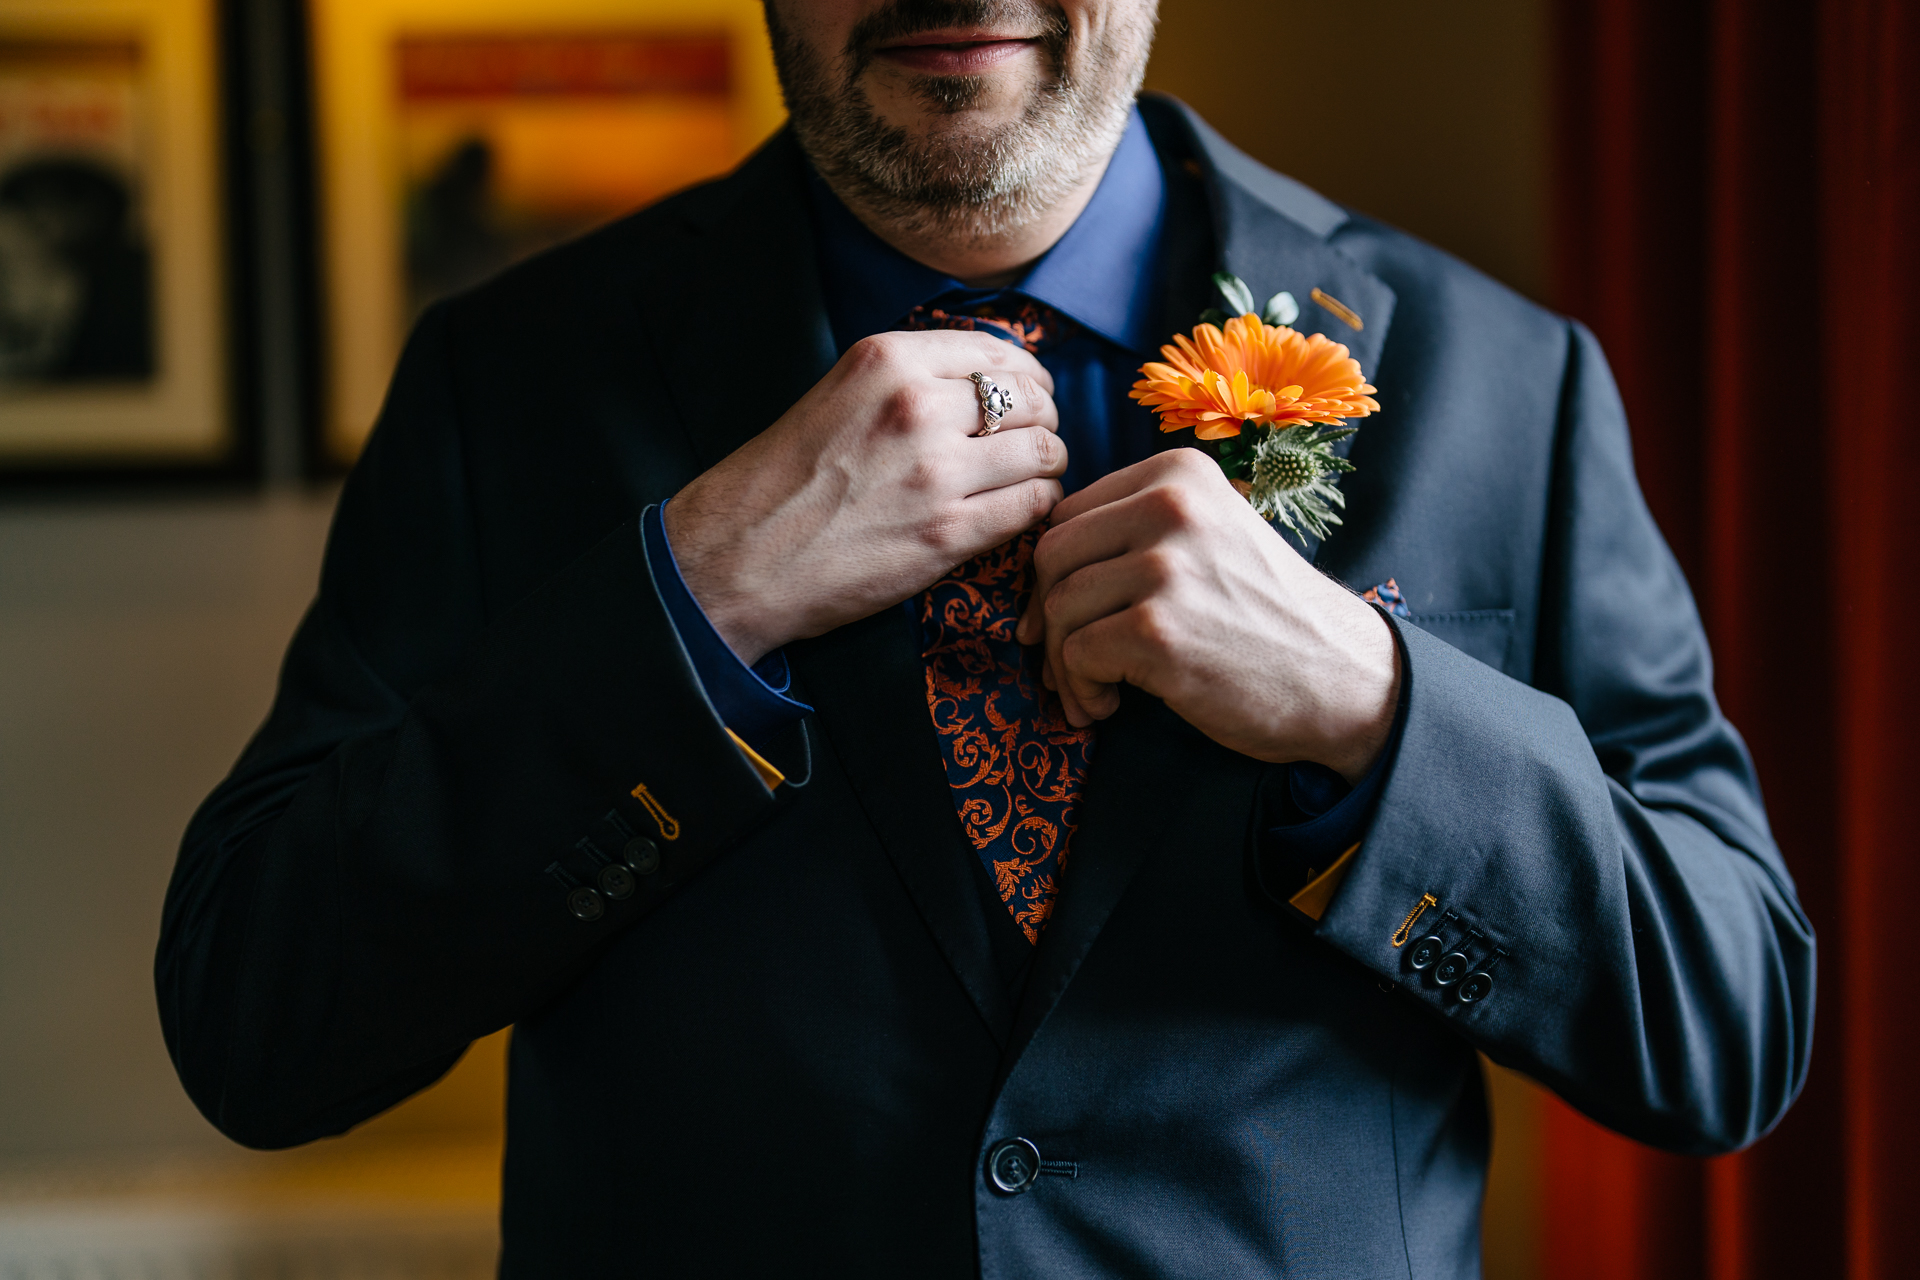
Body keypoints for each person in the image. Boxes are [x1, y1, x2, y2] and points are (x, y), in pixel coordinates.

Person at [157, 0, 1815, 1273]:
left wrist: (1374, 717)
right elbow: (261, 1023)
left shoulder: (1504, 383)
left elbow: (1729, 1023)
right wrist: (693, 605)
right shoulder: (504, 389)